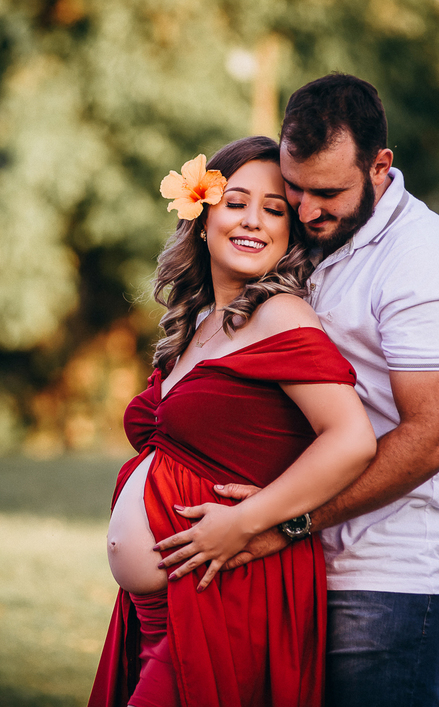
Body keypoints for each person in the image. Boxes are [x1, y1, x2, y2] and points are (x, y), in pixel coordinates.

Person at [159, 73, 439, 707]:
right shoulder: (323, 237)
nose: (307, 210)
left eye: (328, 193)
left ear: (380, 167)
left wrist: (282, 525)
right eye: (296, 188)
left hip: (393, 568)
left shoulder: (423, 265)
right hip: (304, 552)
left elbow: (430, 440)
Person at [88, 135, 378, 707]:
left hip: (226, 589)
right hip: (162, 604)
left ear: (291, 232)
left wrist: (248, 520)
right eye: (237, 202)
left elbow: (351, 439)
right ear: (201, 217)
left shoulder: (280, 315)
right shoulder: (201, 320)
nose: (254, 221)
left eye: (274, 210)